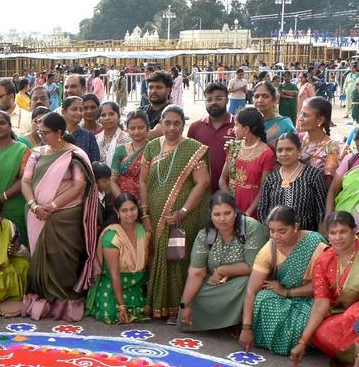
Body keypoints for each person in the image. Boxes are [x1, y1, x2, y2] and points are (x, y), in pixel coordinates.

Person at [20, 112, 100, 321]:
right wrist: (34, 205)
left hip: (65, 215)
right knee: (40, 257)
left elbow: (79, 185)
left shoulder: (74, 154)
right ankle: (44, 298)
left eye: (46, 133)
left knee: (62, 258)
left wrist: (53, 206)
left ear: (59, 133)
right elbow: (26, 181)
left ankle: (63, 301)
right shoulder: (37, 153)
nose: (42, 136)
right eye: (40, 132)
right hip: (36, 214)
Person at [296, 211, 359, 367]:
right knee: (319, 334)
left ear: (354, 230)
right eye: (333, 233)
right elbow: (321, 302)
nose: (338, 237)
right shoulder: (323, 260)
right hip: (341, 310)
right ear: (327, 235)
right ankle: (356, 355)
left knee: (355, 315)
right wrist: (303, 341)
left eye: (343, 232)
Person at [139, 106, 211, 321]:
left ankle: (179, 309)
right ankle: (157, 305)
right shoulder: (152, 146)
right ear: (161, 123)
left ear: (183, 124)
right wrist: (145, 213)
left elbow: (203, 182)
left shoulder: (193, 148)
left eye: (177, 123)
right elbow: (142, 181)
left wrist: (183, 211)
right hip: (155, 212)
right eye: (167, 123)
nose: (171, 128)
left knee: (178, 257)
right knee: (155, 254)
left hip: (183, 217)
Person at [239, 206, 328, 356]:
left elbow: (322, 287)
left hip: (312, 298)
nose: (276, 236)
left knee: (315, 315)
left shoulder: (316, 244)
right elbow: (251, 291)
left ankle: (300, 342)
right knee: (262, 298)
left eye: (282, 231)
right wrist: (246, 328)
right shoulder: (269, 249)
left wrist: (287, 292)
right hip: (283, 298)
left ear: (295, 227)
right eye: (272, 231)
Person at [179, 191, 269, 333]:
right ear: (211, 215)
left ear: (235, 212)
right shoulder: (205, 234)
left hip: (243, 281)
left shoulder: (251, 227)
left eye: (227, 213)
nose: (222, 219)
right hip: (216, 282)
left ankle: (238, 324)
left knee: (247, 284)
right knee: (193, 295)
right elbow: (196, 272)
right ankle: (220, 323)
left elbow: (254, 267)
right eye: (217, 214)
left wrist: (222, 270)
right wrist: (185, 305)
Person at [85, 193, 150, 323]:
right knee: (111, 314)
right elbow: (114, 274)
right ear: (117, 212)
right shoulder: (112, 237)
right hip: (112, 285)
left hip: (135, 285)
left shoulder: (143, 231)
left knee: (142, 311)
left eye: (132, 209)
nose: (129, 214)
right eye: (124, 210)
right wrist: (122, 307)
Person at [256, 132, 327, 231]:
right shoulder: (271, 179)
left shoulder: (313, 175)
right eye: (280, 150)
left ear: (299, 151)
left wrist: (321, 236)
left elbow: (321, 211)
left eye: (289, 149)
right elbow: (262, 212)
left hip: (305, 235)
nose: (284, 154)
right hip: (277, 237)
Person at [0, 110, 32, 246]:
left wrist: (2, 197)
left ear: (10, 126)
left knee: (15, 244)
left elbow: (24, 180)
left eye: (2, 123)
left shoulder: (22, 150)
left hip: (13, 205)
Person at [220, 107, 274, 219]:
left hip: (253, 206)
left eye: (236, 125)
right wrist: (231, 204)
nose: (233, 129)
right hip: (231, 204)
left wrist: (248, 212)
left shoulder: (266, 153)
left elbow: (263, 189)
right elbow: (222, 181)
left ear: (246, 129)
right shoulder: (234, 147)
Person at [188, 82, 235, 193]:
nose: (213, 102)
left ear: (227, 101)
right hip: (202, 191)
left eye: (218, 98)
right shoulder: (195, 127)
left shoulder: (239, 125)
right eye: (209, 99)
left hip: (231, 191)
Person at [297, 97, 341, 183]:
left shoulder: (331, 147)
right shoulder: (298, 139)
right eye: (301, 113)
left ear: (320, 120)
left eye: (305, 115)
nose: (300, 118)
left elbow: (328, 180)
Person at [112, 111, 150, 197]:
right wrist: (122, 200)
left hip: (148, 197)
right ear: (127, 130)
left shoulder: (154, 149)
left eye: (140, 128)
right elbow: (113, 180)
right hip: (122, 198)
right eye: (132, 128)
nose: (136, 132)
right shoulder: (120, 150)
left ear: (148, 128)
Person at [60, 97, 101, 163]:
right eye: (74, 109)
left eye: (81, 110)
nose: (78, 113)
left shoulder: (88, 136)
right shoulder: (55, 134)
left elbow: (95, 162)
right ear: (63, 112)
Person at [139, 70, 173, 136]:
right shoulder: (141, 111)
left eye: (158, 87)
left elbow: (153, 134)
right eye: (150, 87)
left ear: (168, 90)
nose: (153, 91)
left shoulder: (173, 113)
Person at [95, 102, 127, 170]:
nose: (107, 118)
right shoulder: (95, 138)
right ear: (99, 119)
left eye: (111, 114)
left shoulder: (127, 139)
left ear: (119, 116)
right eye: (103, 115)